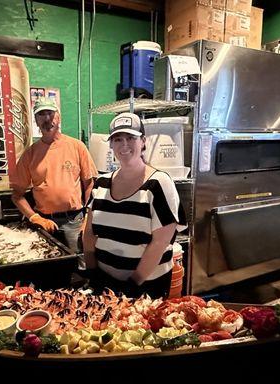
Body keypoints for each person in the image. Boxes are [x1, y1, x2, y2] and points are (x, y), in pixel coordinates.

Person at [83, 112, 187, 299]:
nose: (124, 145)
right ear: (111, 144)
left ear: (143, 142)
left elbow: (161, 242)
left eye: (131, 138)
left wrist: (134, 282)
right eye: (117, 139)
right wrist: (92, 271)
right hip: (105, 282)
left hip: (145, 286)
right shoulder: (101, 183)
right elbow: (89, 232)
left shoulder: (158, 183)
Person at [10, 97, 97, 253]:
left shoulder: (77, 147)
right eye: (41, 114)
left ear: (59, 116)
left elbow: (90, 185)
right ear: (35, 120)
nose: (47, 118)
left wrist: (87, 219)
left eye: (50, 113)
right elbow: (17, 195)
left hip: (75, 221)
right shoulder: (30, 154)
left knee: (80, 264)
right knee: (49, 265)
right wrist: (34, 218)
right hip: (45, 222)